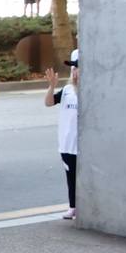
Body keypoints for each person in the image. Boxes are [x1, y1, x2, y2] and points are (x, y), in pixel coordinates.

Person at [44, 50, 79, 220]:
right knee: (71, 176)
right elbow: (48, 103)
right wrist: (51, 86)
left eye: (78, 68)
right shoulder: (66, 90)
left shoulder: (92, 90)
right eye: (73, 68)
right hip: (67, 144)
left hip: (84, 145)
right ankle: (73, 206)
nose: (75, 71)